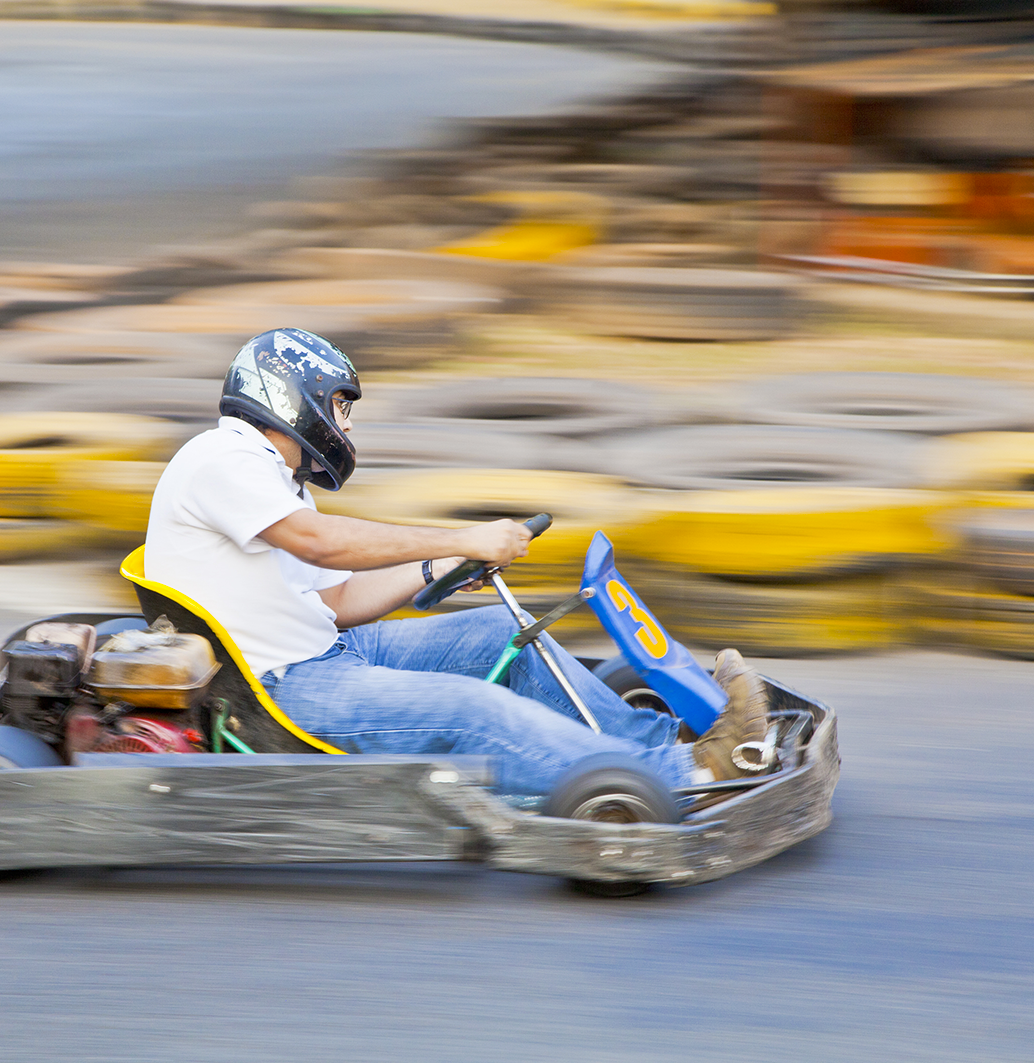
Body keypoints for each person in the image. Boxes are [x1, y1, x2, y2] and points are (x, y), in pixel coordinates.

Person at [143, 327, 769, 802]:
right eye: (338, 406)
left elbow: (336, 603)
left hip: (327, 650)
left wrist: (440, 562)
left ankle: (668, 746)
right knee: (470, 710)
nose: (344, 424)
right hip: (281, 689)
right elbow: (320, 544)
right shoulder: (222, 457)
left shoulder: (276, 482)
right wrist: (461, 536)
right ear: (291, 394)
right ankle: (682, 776)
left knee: (502, 635)